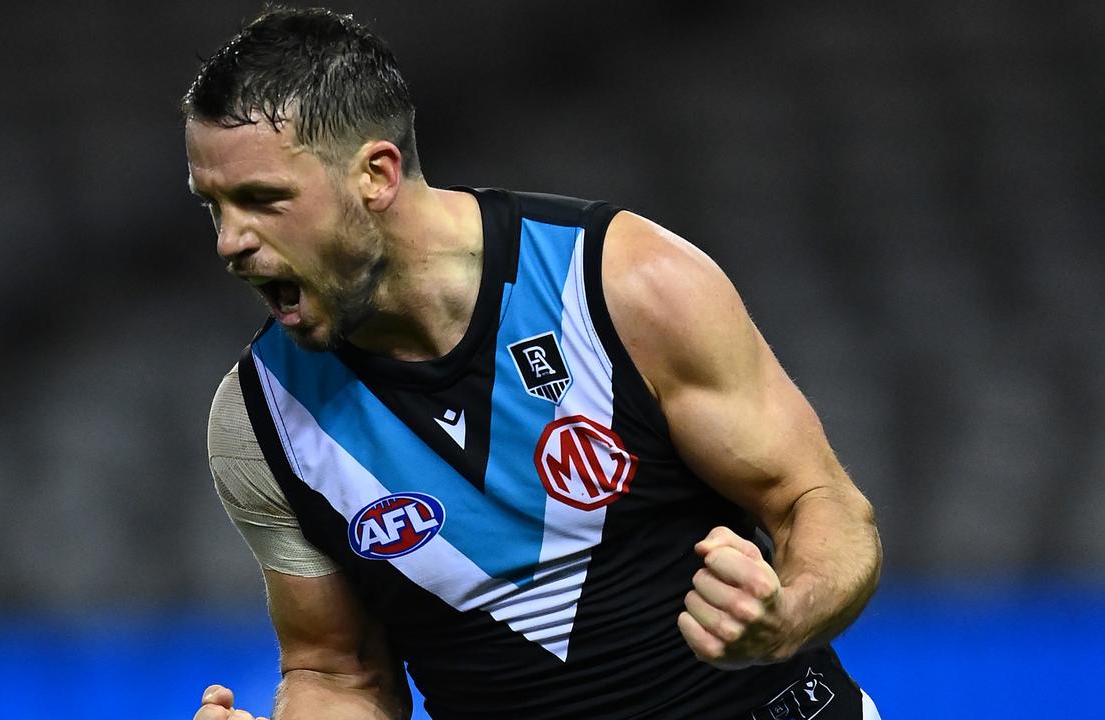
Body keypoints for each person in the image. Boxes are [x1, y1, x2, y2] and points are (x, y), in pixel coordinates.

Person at [183, 7, 882, 720]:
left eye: (261, 201)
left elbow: (819, 503)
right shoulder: (260, 420)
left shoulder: (621, 283)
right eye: (213, 207)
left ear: (377, 174)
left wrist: (786, 616)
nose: (229, 242)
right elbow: (340, 674)